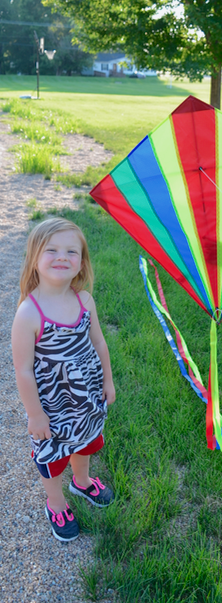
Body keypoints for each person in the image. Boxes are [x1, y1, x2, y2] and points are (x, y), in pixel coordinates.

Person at [12, 218, 116, 542]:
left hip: (86, 398)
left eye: (72, 251)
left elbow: (99, 343)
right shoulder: (29, 314)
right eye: (52, 249)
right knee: (53, 456)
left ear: (81, 263)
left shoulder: (84, 301)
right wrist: (35, 414)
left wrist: (108, 382)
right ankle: (55, 502)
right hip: (52, 407)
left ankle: (82, 481)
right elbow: (24, 370)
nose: (62, 256)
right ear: (35, 259)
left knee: (85, 441)